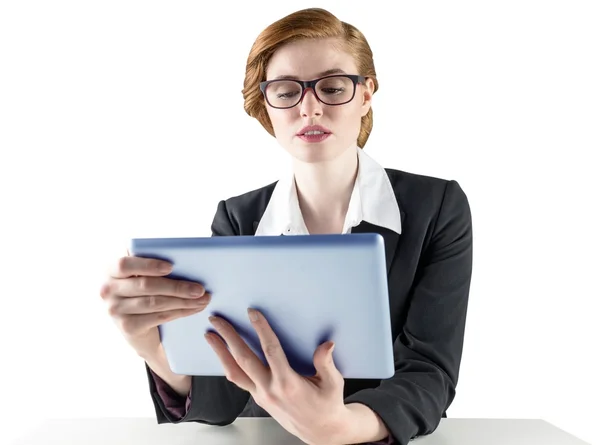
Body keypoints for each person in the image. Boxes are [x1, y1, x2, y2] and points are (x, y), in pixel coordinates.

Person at [100, 7, 473, 445]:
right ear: (267, 106)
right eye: (286, 92)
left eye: (333, 87)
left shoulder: (437, 207)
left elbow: (430, 369)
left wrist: (342, 427)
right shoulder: (237, 218)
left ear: (366, 94)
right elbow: (222, 398)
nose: (310, 108)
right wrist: (151, 347)